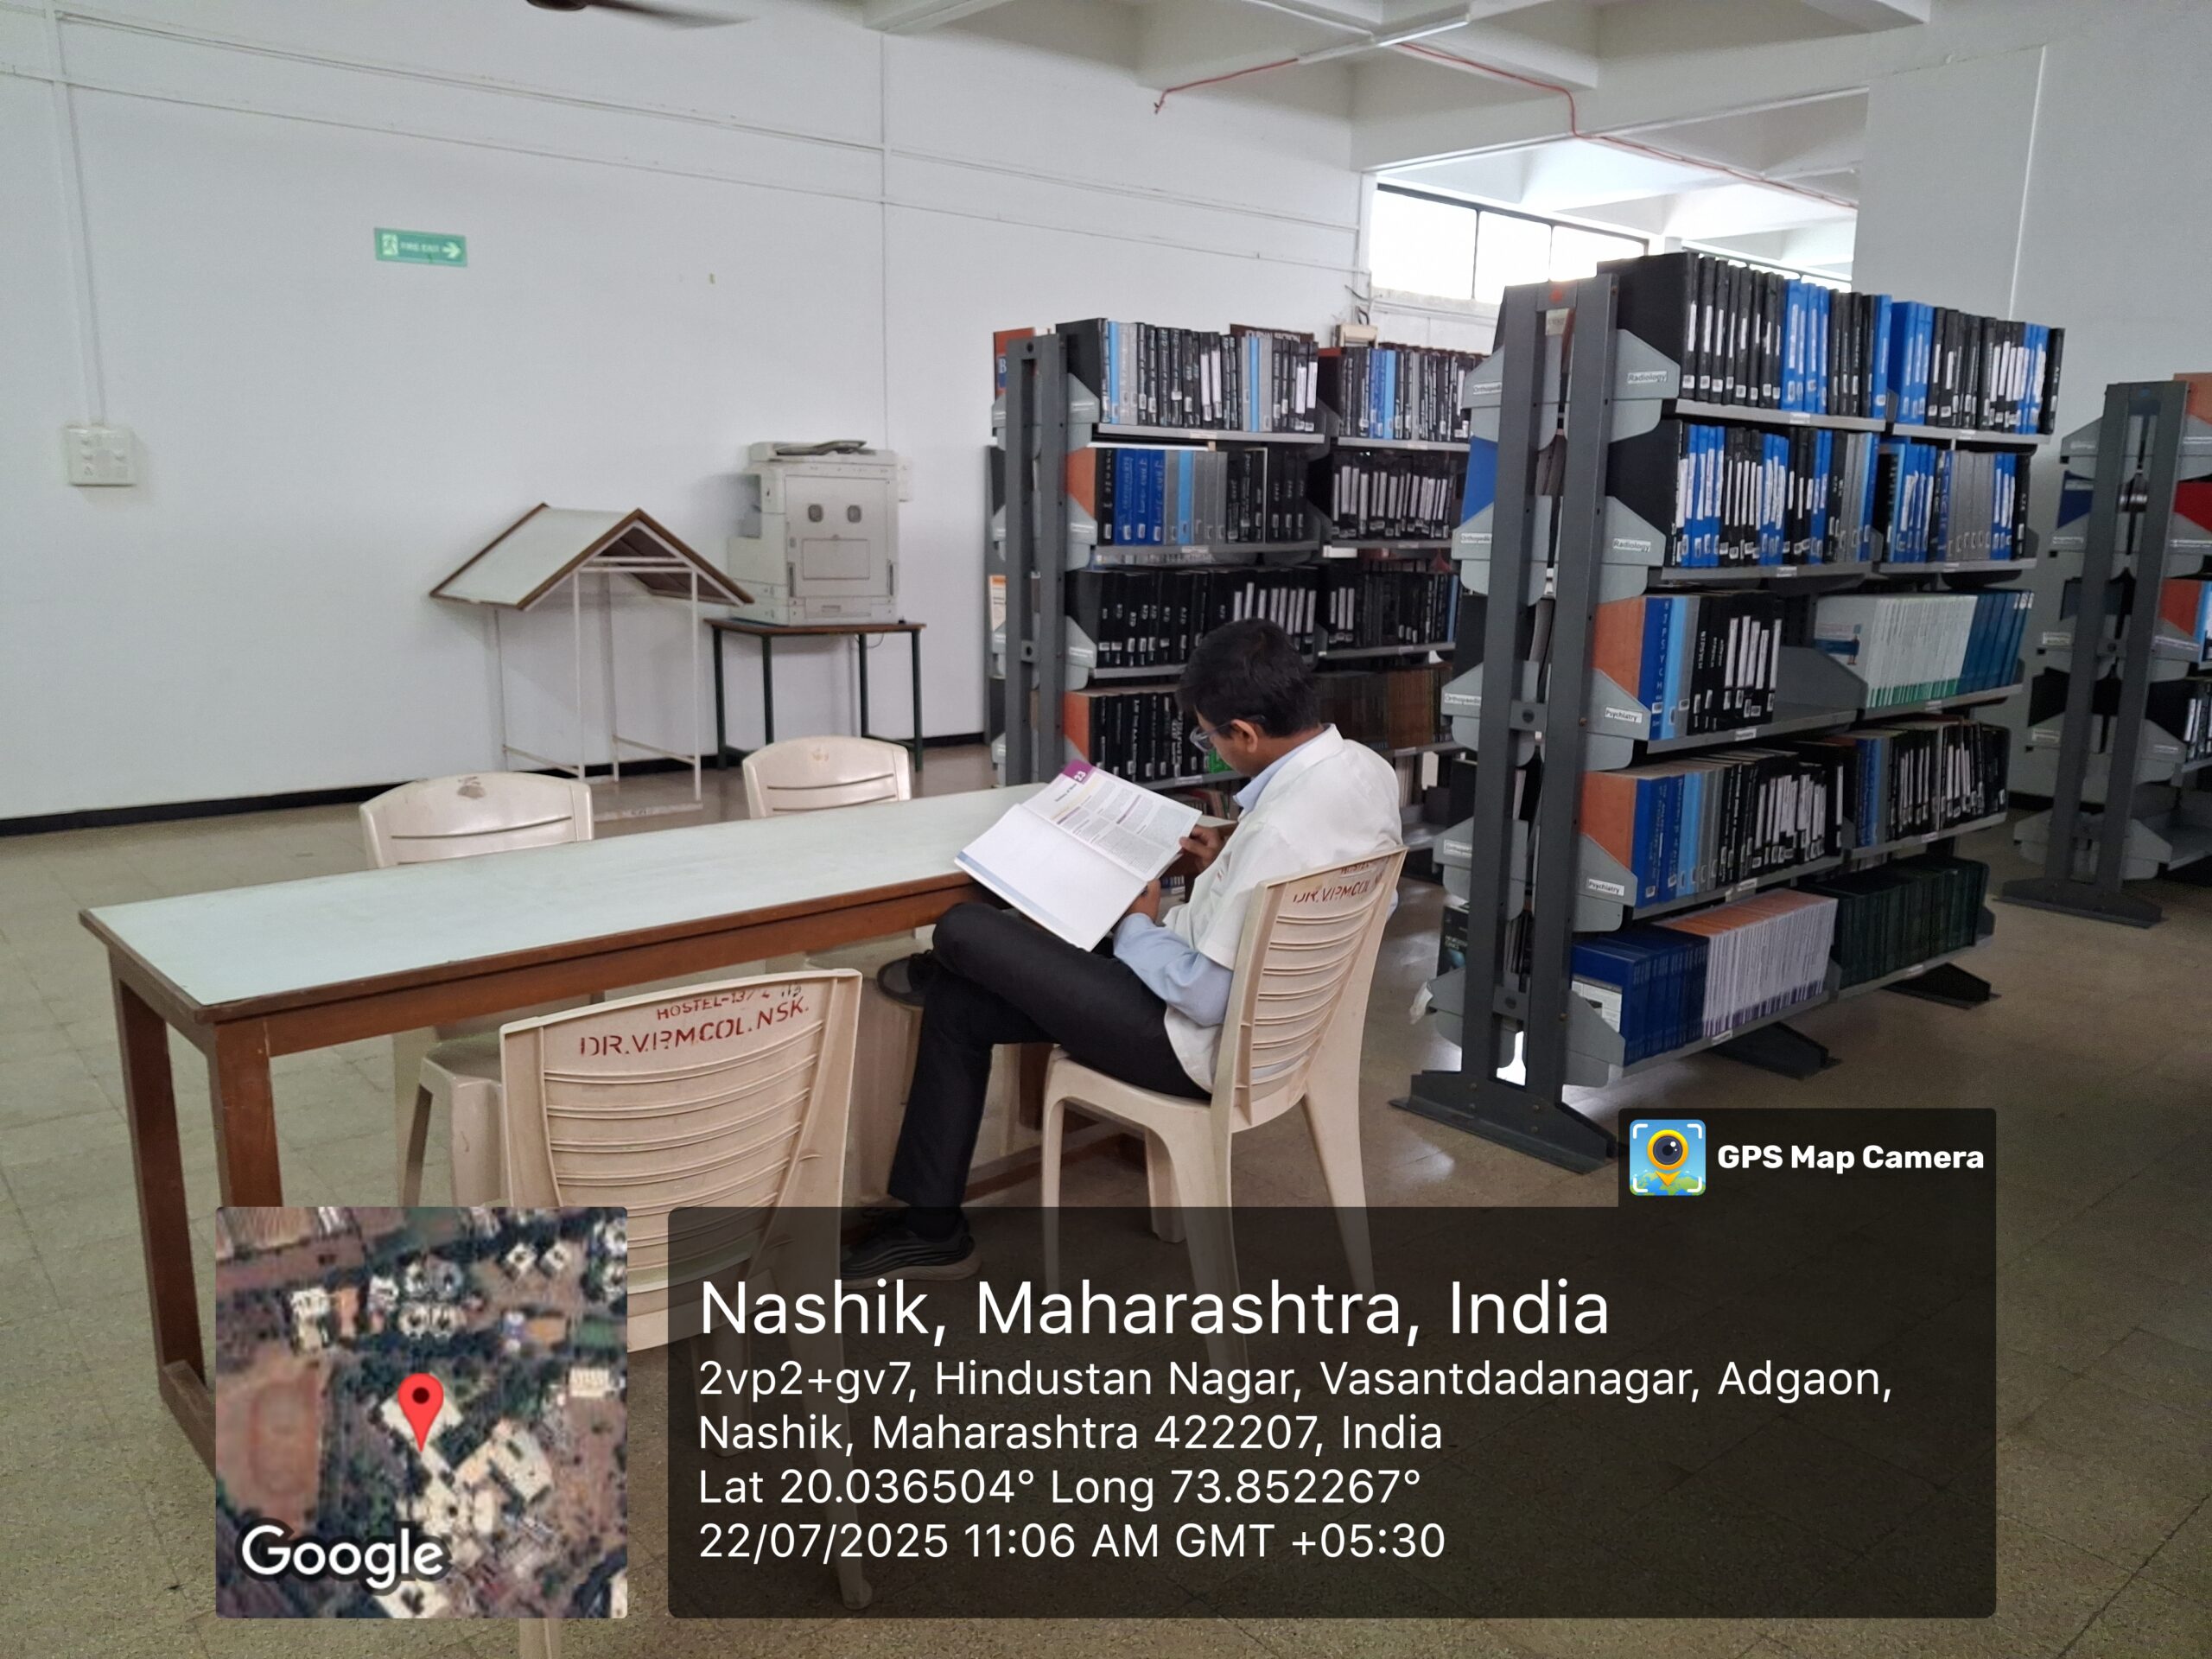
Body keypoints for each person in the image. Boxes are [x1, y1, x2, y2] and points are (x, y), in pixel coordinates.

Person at [842, 617, 1403, 1280]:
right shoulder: (1364, 771)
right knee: (960, 1004)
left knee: (966, 928)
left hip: (1189, 1043)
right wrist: (1226, 866)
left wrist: (1138, 924)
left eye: (1210, 737)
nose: (1211, 748)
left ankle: (938, 974)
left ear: (1246, 733)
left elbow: (1205, 995)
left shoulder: (1277, 832)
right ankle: (930, 1228)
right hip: (1283, 1034)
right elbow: (1327, 894)